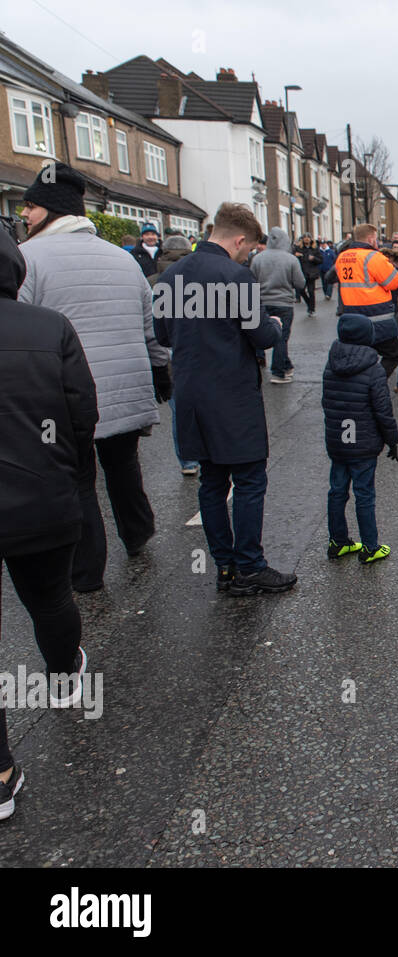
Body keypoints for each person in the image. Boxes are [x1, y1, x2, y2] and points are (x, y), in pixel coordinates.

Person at [17, 162, 167, 593]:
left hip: (65, 395)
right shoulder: (123, 259)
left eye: (30, 206)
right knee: (123, 467)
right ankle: (138, 534)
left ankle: (87, 572)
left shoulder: (27, 260)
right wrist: (161, 372)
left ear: (49, 209)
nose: (24, 215)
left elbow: (19, 329)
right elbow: (149, 326)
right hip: (125, 387)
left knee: (78, 478)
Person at [0, 225, 98, 820]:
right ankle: (64, 675)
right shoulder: (48, 327)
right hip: (41, 498)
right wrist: (73, 475)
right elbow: (81, 411)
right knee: (51, 598)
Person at [154, 202, 296, 597]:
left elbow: (163, 335)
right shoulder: (237, 278)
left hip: (192, 395)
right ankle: (251, 565)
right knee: (249, 480)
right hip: (232, 394)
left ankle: (226, 569)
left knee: (212, 482)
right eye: (249, 249)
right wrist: (275, 324)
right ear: (238, 240)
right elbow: (263, 337)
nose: (248, 255)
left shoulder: (170, 276)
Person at [322, 314, 398, 565]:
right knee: (364, 493)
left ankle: (338, 541)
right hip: (363, 443)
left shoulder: (331, 363)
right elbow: (382, 410)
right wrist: (392, 440)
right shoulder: (373, 367)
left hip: (338, 441)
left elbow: (327, 402)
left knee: (337, 491)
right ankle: (369, 546)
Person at [149, 235, 201, 474]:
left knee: (178, 409)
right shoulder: (199, 279)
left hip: (164, 351)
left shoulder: (152, 281)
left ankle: (187, 460)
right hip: (194, 350)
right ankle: (205, 453)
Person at [325, 223, 398, 376]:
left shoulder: (342, 257)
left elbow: (331, 277)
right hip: (377, 318)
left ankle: (359, 386)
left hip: (352, 316)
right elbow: (395, 282)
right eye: (376, 238)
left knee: (358, 356)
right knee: (392, 355)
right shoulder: (374, 257)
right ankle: (374, 382)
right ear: (371, 239)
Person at [249, 226, 306, 385]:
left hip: (262, 302)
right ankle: (278, 372)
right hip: (283, 303)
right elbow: (300, 283)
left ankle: (285, 366)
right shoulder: (291, 259)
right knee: (281, 338)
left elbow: (251, 280)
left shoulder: (257, 259)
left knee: (261, 334)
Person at [294, 234, 322, 317]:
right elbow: (292, 256)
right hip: (302, 273)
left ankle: (312, 309)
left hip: (311, 273)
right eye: (305, 238)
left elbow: (321, 260)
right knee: (301, 290)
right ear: (302, 239)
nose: (306, 239)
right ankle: (309, 303)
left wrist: (314, 258)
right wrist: (296, 255)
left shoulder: (314, 249)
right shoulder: (298, 248)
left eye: (308, 237)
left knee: (311, 291)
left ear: (311, 239)